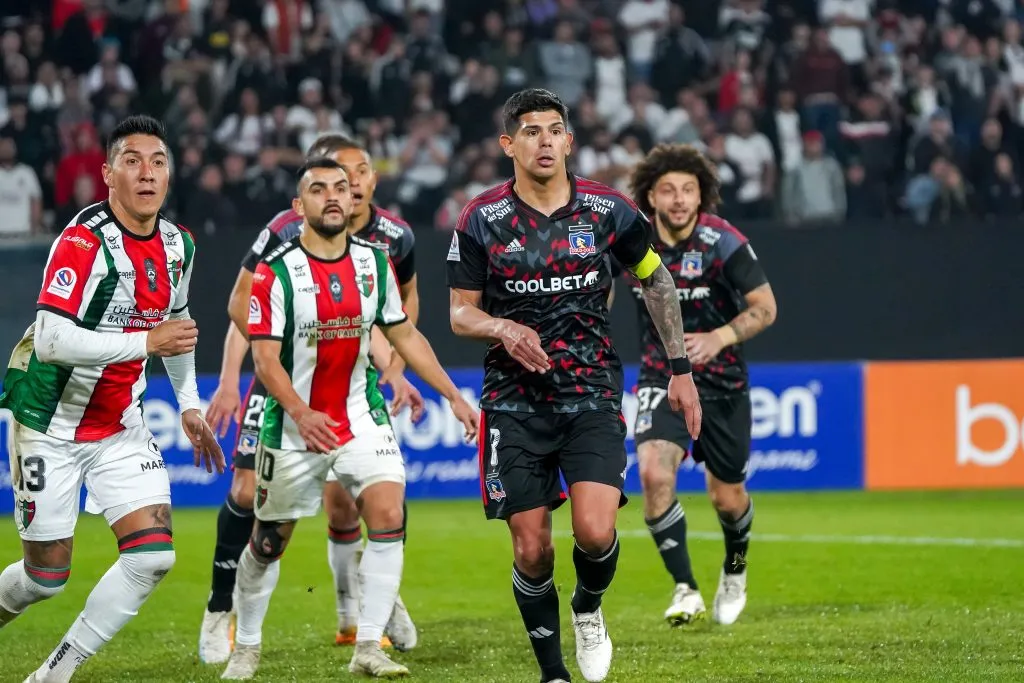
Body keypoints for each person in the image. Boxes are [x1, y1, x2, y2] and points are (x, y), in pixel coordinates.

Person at [446, 88, 702, 683]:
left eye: (553, 130)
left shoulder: (608, 211)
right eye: (530, 131)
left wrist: (681, 371)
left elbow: (657, 283)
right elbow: (460, 314)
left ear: (569, 141)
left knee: (595, 529)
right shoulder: (480, 218)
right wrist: (502, 326)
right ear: (508, 145)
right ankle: (554, 673)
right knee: (532, 550)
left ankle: (587, 608)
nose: (543, 141)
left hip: (589, 393)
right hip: (513, 403)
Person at [221, 158, 478, 680]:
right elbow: (265, 359)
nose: (333, 196)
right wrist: (299, 410)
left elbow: (403, 334)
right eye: (318, 189)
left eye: (342, 187)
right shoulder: (277, 270)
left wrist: (453, 394)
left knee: (388, 513)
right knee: (268, 542)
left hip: (361, 415)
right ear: (300, 207)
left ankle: (366, 646)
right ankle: (245, 644)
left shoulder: (373, 264)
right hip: (294, 427)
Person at [0, 115, 224, 683]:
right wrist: (144, 340)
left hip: (120, 423)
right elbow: (50, 340)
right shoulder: (82, 241)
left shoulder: (179, 246)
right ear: (107, 174)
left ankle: (53, 675)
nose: (146, 173)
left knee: (152, 556)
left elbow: (176, 330)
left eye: (158, 161)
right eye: (132, 160)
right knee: (44, 579)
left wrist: (189, 403)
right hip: (48, 419)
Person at [198, 135, 422, 663]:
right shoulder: (283, 233)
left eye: (358, 173)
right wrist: (235, 376)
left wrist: (391, 366)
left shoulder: (394, 238)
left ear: (367, 181)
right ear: (306, 193)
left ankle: (366, 611)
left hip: (351, 387)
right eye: (332, 178)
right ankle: (218, 608)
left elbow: (401, 309)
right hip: (283, 381)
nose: (350, 185)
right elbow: (243, 304)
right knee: (250, 494)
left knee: (358, 501)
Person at [620, 143, 776, 626]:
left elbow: (766, 307)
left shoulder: (723, 241)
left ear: (701, 194)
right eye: (668, 190)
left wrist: (720, 336)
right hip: (660, 376)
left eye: (688, 189)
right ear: (650, 196)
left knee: (726, 497)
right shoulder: (631, 241)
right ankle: (685, 588)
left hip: (722, 381)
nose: (680, 199)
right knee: (652, 475)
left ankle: (735, 568)